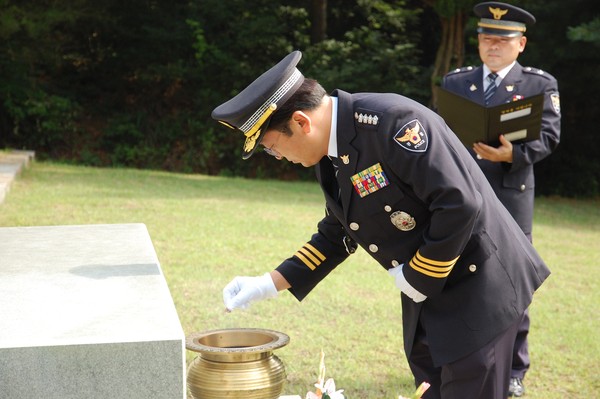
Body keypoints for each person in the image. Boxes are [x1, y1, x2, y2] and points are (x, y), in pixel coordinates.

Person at [212, 50, 550, 399]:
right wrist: (269, 284)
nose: (278, 158)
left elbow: (459, 204)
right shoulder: (331, 152)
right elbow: (338, 231)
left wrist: (418, 275)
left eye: (271, 148)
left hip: (480, 286)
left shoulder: (393, 124)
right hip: (430, 294)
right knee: (430, 387)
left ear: (300, 122)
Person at [441, 2, 561, 396]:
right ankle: (453, 360)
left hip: (510, 195)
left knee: (512, 284)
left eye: (502, 39)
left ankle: (513, 369)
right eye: (486, 38)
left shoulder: (539, 84)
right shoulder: (457, 82)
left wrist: (514, 155)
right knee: (455, 277)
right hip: (461, 195)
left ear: (521, 44)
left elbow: (548, 136)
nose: (492, 46)